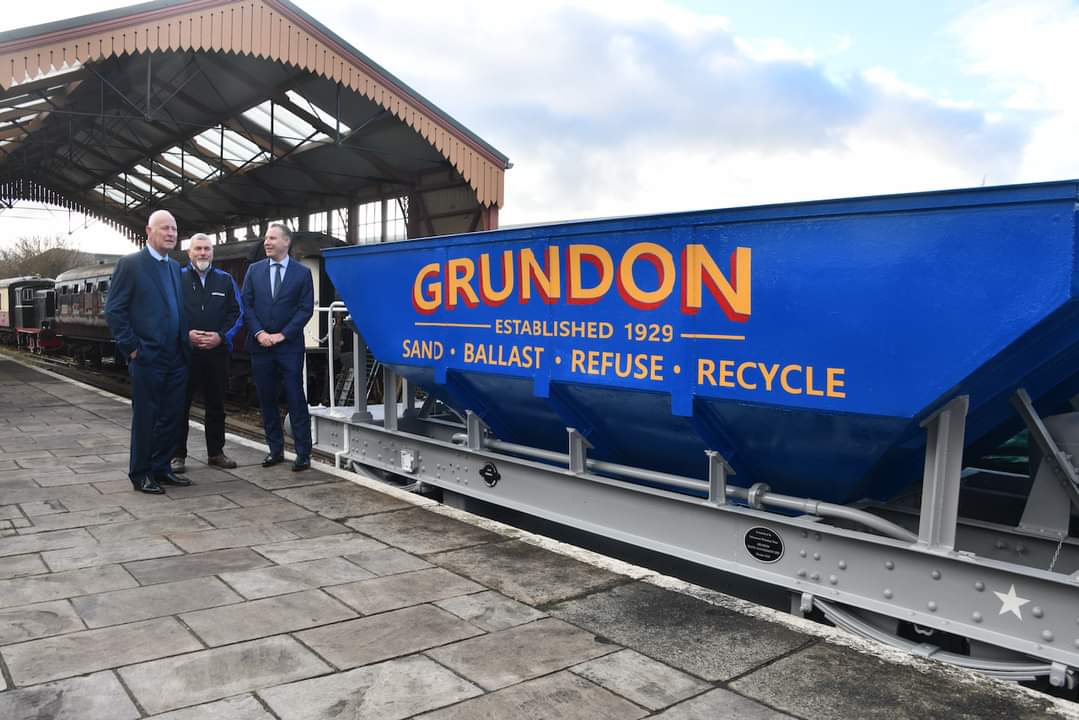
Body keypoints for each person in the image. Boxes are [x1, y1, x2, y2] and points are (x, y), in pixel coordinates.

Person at [105, 209, 191, 494]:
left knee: (171, 416)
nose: (171, 234)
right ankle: (140, 473)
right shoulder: (131, 265)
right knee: (146, 417)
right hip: (147, 356)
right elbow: (114, 310)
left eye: (174, 230)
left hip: (176, 356)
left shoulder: (174, 267)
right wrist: (132, 349)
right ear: (148, 231)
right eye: (165, 228)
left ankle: (162, 467)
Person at [241, 223, 314, 471]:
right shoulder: (253, 271)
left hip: (289, 347)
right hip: (260, 346)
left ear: (286, 242)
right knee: (266, 398)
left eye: (272, 238)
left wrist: (283, 335)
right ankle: (275, 450)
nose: (267, 242)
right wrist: (260, 332)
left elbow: (305, 309)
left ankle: (303, 453)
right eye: (266, 239)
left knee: (295, 397)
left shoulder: (302, 274)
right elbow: (246, 305)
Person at [171, 233, 243, 473]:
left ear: (213, 252)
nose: (203, 253)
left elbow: (237, 313)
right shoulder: (176, 279)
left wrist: (220, 336)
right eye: (198, 249)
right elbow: (169, 312)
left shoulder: (225, 280)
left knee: (216, 404)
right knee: (180, 404)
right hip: (185, 353)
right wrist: (186, 335)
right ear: (189, 252)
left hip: (217, 353)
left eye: (207, 249)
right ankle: (177, 455)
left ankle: (216, 453)